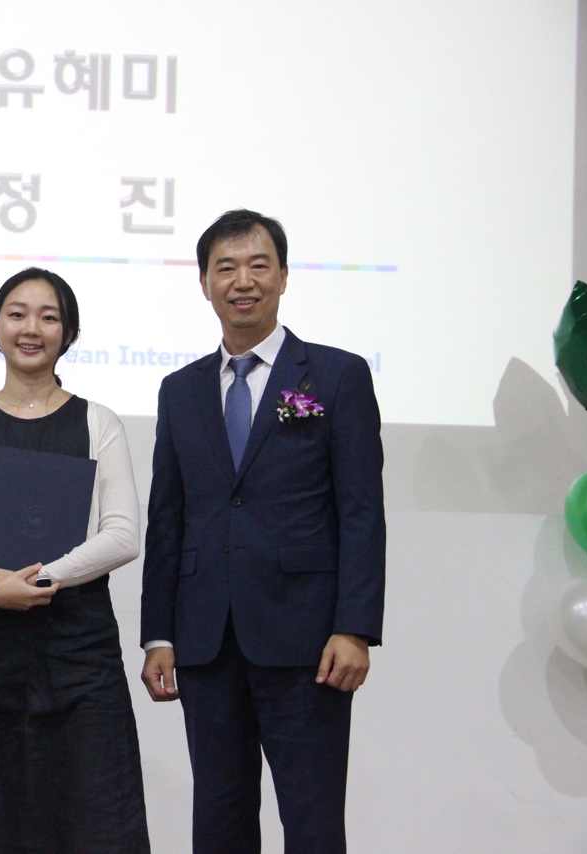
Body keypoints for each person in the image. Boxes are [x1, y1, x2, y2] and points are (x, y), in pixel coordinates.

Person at [140, 209, 386, 853]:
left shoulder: (336, 376)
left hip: (308, 641)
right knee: (218, 823)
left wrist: (354, 628)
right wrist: (159, 634)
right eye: (225, 268)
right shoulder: (179, 390)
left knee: (311, 820)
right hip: (206, 642)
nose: (242, 281)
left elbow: (361, 511)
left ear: (282, 276)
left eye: (258, 265)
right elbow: (168, 518)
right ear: (204, 283)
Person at [0, 267, 150, 853]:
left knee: (92, 822)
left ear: (68, 333)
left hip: (80, 658)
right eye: (16, 314)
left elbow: (123, 536)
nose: (31, 329)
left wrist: (42, 579)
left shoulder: (98, 421)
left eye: (48, 317)